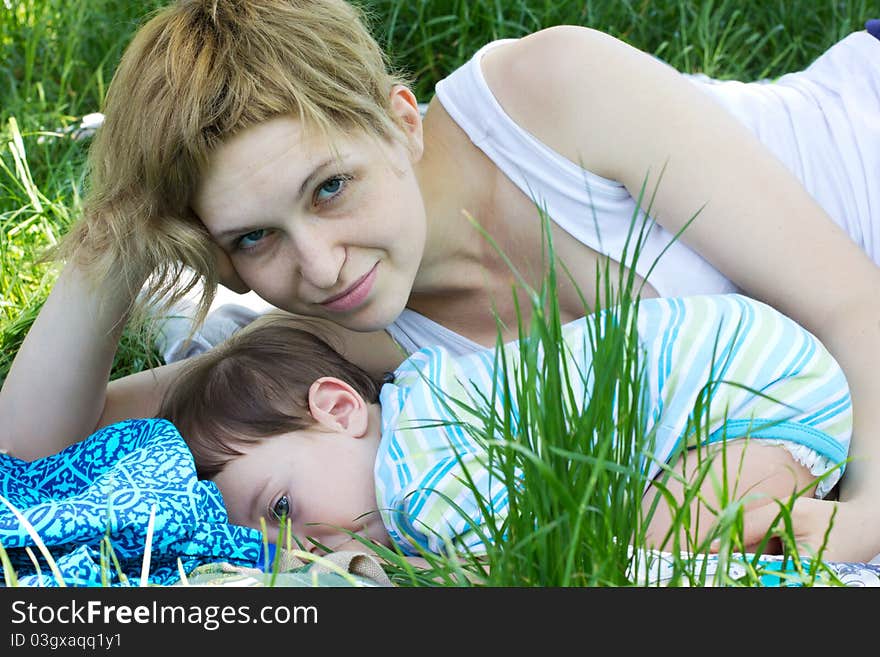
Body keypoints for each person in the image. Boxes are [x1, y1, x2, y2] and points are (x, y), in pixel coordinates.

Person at [0, 0, 878, 560]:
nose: (320, 263)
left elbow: (852, 302)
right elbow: (29, 462)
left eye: (331, 186)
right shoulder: (338, 344)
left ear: (401, 121)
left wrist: (867, 517)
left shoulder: (551, 92)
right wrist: (114, 243)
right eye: (257, 236)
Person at [155, 295, 851, 558]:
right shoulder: (420, 399)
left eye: (281, 508)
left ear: (340, 409)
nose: (296, 546)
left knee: (641, 550)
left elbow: (521, 570)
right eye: (270, 540)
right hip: (749, 356)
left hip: (763, 395)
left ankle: (788, 529)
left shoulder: (421, 479)